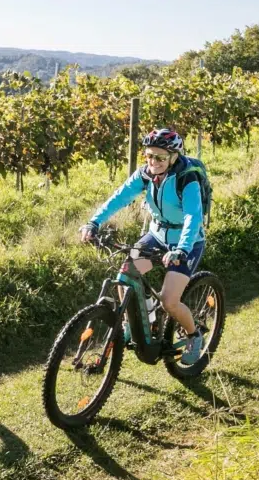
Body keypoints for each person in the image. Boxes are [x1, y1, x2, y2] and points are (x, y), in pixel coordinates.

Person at [80, 127, 207, 365]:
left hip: (186, 242)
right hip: (157, 236)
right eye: (149, 155)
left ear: (174, 156)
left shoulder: (186, 179)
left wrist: (181, 249)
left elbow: (193, 216)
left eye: (160, 157)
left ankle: (194, 335)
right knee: (126, 275)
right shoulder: (145, 175)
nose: (153, 162)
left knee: (170, 301)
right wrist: (94, 222)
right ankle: (140, 322)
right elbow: (119, 197)